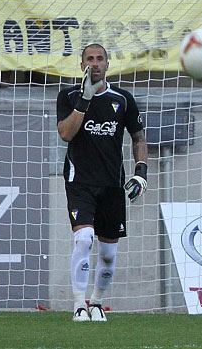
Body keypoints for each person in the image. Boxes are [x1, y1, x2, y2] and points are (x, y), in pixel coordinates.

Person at [56, 43, 148, 322]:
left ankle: (96, 303)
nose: (94, 64)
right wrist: (84, 100)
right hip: (79, 181)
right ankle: (78, 305)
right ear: (81, 64)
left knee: (108, 254)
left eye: (99, 59)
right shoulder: (68, 96)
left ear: (108, 64)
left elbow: (138, 137)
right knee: (83, 239)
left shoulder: (123, 99)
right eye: (89, 59)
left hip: (112, 184)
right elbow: (66, 134)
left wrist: (141, 171)